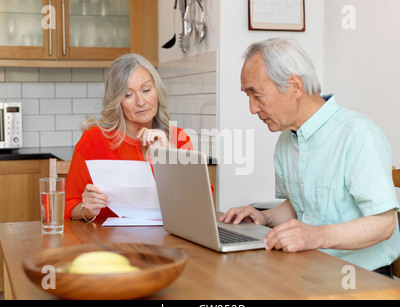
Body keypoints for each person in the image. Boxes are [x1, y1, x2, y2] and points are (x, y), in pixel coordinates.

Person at [219, 38, 400, 277]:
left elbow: (384, 224)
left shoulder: (357, 134)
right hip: (310, 268)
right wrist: (263, 217)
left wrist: (317, 235)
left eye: (257, 95)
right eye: (248, 97)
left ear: (294, 86)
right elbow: (298, 206)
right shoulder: (286, 139)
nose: (252, 108)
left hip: (360, 276)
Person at [65, 53, 193, 221]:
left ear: (157, 91)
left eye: (146, 90)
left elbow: (197, 203)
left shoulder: (179, 138)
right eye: (128, 95)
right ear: (117, 101)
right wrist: (86, 209)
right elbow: (68, 205)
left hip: (166, 241)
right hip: (108, 241)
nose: (141, 101)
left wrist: (170, 155)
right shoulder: (94, 140)